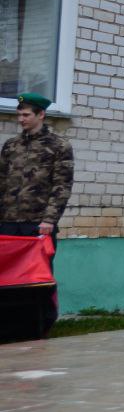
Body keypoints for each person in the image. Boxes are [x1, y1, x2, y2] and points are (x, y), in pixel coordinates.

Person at [0, 91, 73, 331]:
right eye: (19, 115)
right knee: (9, 277)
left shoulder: (58, 146)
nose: (21, 119)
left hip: (38, 224)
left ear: (41, 115)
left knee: (38, 277)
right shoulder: (11, 146)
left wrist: (49, 220)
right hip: (9, 223)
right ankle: (12, 325)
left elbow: (61, 186)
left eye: (26, 115)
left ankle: (41, 324)